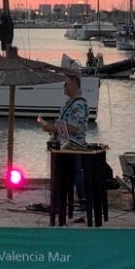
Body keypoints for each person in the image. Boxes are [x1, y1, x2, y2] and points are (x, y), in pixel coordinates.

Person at [37, 75, 91, 213]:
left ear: (74, 86)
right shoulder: (68, 104)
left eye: (67, 84)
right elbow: (64, 127)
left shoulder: (79, 105)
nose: (64, 87)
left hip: (74, 145)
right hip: (65, 144)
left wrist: (50, 127)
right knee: (66, 173)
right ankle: (65, 199)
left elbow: (73, 128)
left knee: (75, 173)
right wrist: (53, 131)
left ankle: (83, 200)